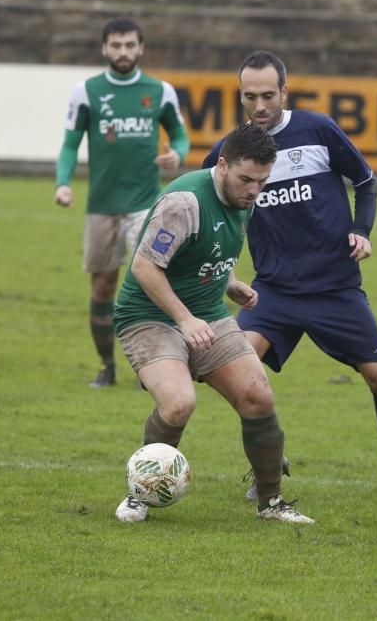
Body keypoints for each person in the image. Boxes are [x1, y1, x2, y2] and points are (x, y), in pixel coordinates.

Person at [200, 50, 377, 498]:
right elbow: (205, 210)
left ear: (284, 92)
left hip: (335, 288)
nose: (259, 106)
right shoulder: (228, 153)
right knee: (232, 369)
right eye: (249, 97)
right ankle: (269, 459)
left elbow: (366, 182)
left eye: (268, 95)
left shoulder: (318, 129)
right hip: (272, 291)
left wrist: (361, 230)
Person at [112, 124, 313, 525]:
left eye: (262, 181)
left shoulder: (245, 194)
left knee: (258, 395)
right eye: (246, 179)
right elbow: (145, 266)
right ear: (222, 165)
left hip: (207, 313)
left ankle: (271, 504)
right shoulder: (183, 203)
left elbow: (212, 245)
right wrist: (185, 319)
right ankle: (140, 495)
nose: (255, 190)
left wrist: (230, 283)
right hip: (149, 316)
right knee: (179, 403)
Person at [54, 17, 190, 389]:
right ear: (104, 48)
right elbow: (69, 144)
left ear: (141, 47)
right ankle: (106, 365)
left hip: (146, 205)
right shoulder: (87, 91)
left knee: (153, 283)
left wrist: (177, 154)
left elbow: (180, 136)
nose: (124, 52)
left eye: (130, 45)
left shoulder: (159, 91)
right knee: (102, 288)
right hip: (101, 206)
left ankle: (155, 368)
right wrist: (62, 183)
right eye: (116, 45)